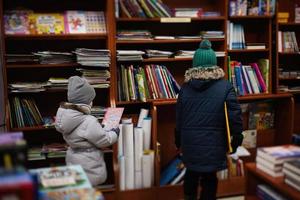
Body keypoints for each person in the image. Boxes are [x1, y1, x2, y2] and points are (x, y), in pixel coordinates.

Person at [175, 40, 243, 200]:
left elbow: (179, 118)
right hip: (215, 144)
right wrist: (237, 136)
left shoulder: (184, 88)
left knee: (191, 173)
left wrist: (178, 140)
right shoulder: (225, 87)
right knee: (210, 178)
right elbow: (234, 115)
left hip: (190, 143)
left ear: (194, 64)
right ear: (214, 63)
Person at [55, 76, 119, 186]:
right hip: (89, 164)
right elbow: (104, 140)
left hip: (73, 158)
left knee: (79, 190)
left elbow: (82, 135)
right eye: (91, 100)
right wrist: (115, 132)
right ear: (87, 102)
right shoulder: (89, 121)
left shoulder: (65, 118)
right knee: (89, 192)